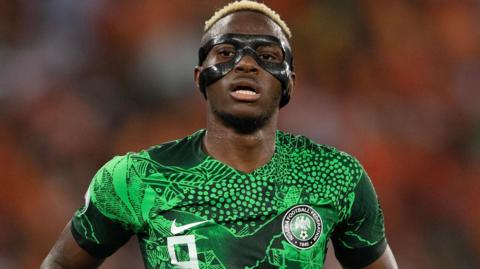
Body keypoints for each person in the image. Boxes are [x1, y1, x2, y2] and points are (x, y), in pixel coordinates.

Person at [41, 1, 398, 268]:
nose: (246, 63)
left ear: (289, 82)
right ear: (200, 77)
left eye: (267, 54)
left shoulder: (335, 176)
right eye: (226, 52)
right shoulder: (136, 178)